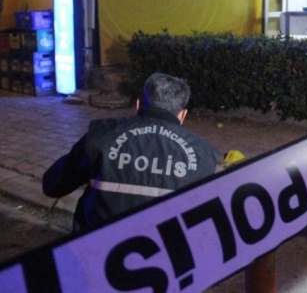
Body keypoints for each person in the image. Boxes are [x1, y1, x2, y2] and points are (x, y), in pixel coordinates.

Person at [42, 72, 220, 232]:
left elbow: (52, 185)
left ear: (138, 104)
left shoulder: (102, 135)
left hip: (97, 248)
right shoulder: (204, 155)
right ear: (182, 115)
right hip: (162, 253)